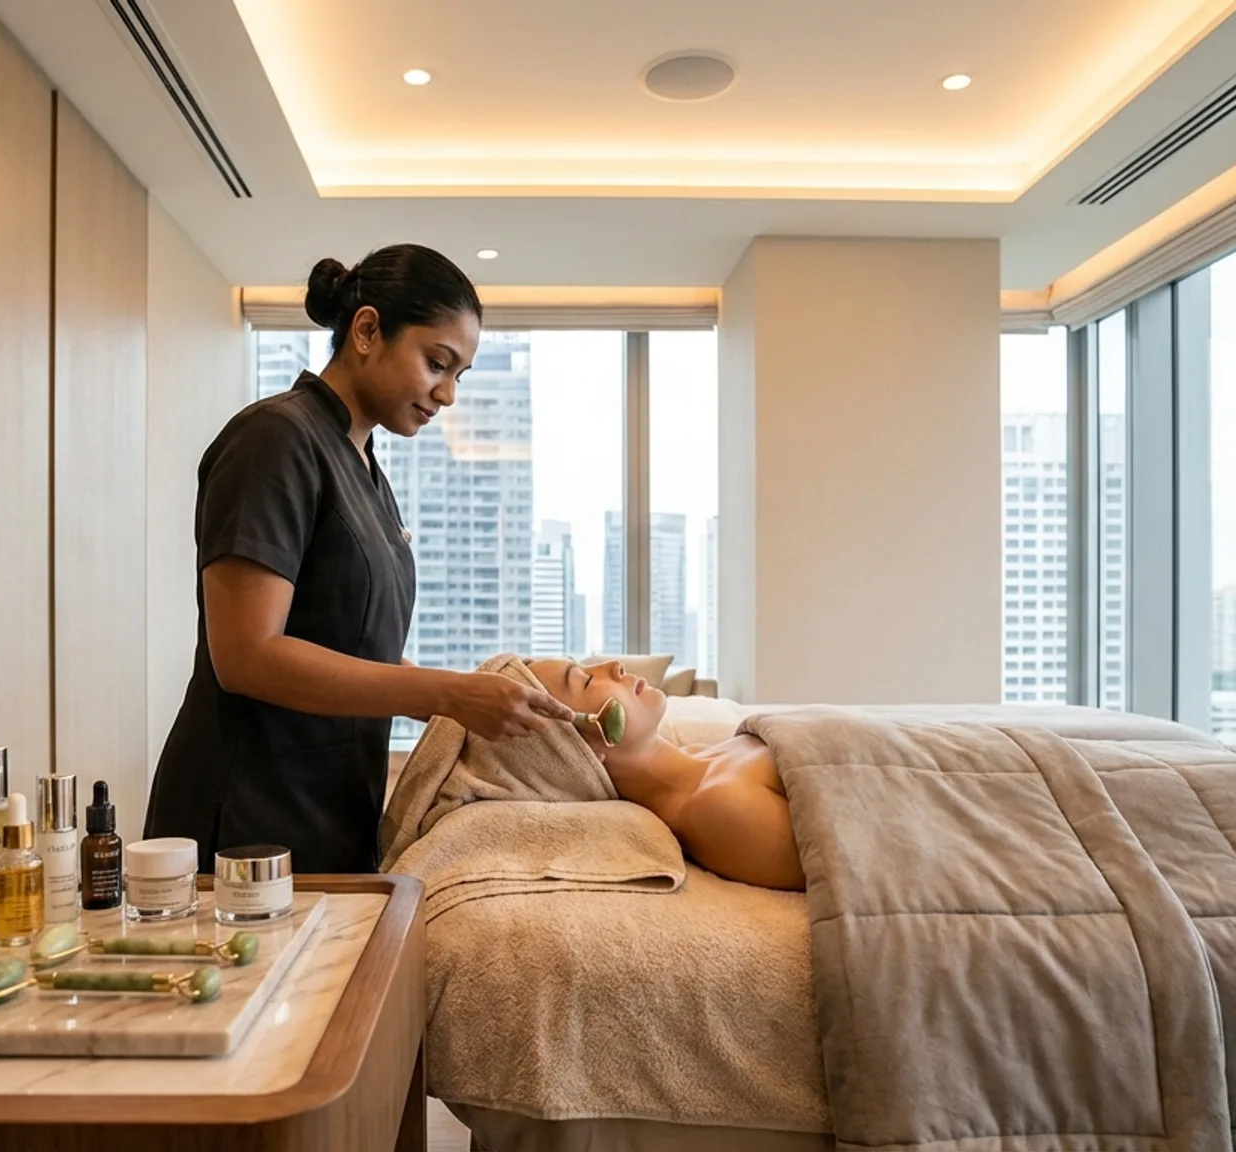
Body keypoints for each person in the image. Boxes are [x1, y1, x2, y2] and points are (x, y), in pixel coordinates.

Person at [144, 244, 573, 873]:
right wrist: (447, 693)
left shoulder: (365, 468)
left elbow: (349, 642)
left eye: (460, 374)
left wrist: (462, 704)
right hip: (246, 813)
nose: (448, 394)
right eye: (437, 363)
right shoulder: (277, 440)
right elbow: (245, 656)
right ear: (368, 330)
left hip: (330, 807)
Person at [528, 657, 804, 890]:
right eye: (585, 681)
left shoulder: (703, 755)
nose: (615, 666)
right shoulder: (719, 807)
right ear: (579, 753)